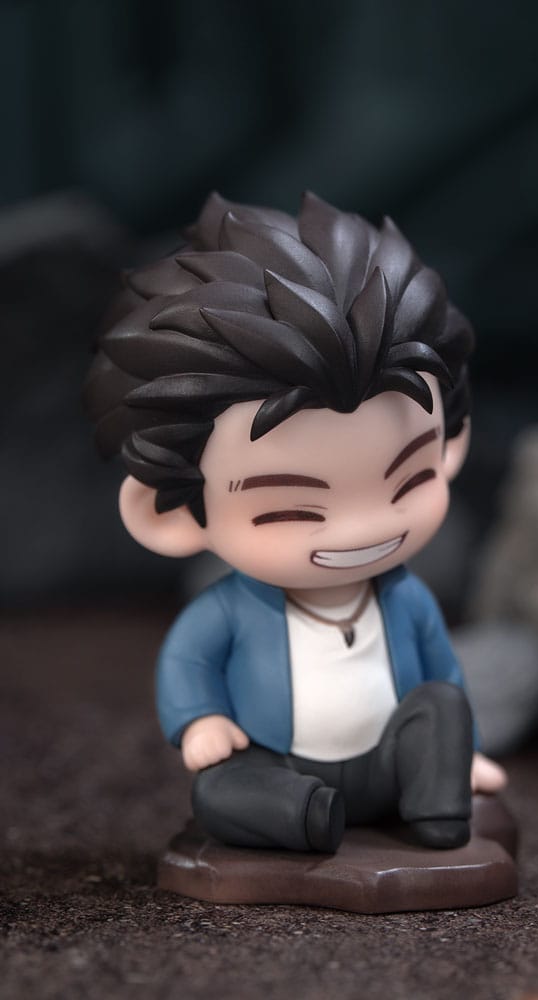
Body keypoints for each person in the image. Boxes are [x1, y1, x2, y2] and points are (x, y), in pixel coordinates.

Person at [85, 191, 507, 854]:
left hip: (390, 759)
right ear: (169, 513)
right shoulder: (228, 612)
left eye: (408, 480)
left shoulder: (406, 600)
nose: (361, 529)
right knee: (220, 792)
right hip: (279, 764)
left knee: (441, 706)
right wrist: (201, 722)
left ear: (449, 447)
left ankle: (436, 807)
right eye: (288, 509)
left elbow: (444, 677)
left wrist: (465, 753)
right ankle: (306, 818)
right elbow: (188, 662)